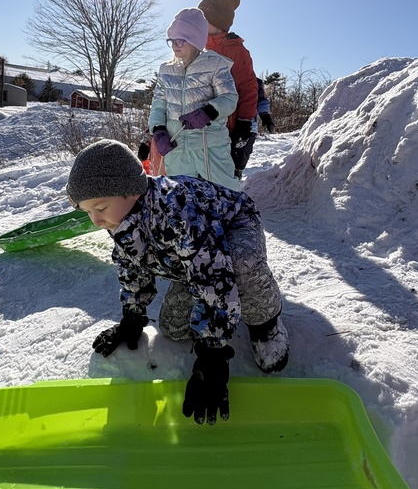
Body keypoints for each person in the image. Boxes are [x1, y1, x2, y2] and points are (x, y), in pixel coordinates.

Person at [66, 139, 290, 425]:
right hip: (196, 250)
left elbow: (214, 275)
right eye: (88, 212)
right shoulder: (119, 218)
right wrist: (132, 317)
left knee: (239, 264)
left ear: (132, 191)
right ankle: (190, 272)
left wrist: (213, 354)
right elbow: (132, 265)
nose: (96, 220)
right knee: (173, 328)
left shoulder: (178, 209)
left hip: (234, 224)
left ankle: (265, 323)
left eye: (100, 207)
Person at [148, 7, 239, 191]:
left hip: (210, 146)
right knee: (181, 196)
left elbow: (230, 97)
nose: (175, 46)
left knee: (225, 192)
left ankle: (232, 219)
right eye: (171, 41)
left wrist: (209, 111)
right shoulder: (166, 69)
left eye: (180, 40)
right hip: (177, 146)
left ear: (195, 41)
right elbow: (158, 104)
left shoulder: (215, 64)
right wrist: (158, 130)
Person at [197, 0, 259, 179]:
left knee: (225, 173)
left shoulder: (236, 50)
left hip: (227, 127)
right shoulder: (194, 45)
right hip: (198, 124)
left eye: (203, 18)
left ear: (217, 21)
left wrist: (244, 121)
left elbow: (248, 87)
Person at [231, 76, 276, 176]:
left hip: (249, 126)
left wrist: (265, 116)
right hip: (227, 124)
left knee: (241, 157)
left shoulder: (255, 81)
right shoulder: (224, 75)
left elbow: (262, 100)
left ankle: (236, 177)